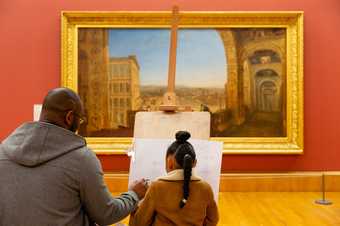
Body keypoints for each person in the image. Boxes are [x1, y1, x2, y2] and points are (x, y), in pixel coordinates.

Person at [0, 87, 148, 226]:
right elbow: (106, 214)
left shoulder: (3, 151)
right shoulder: (82, 159)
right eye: (80, 120)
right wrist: (134, 194)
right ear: (69, 117)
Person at [129, 131, 219, 226]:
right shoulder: (205, 188)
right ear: (195, 162)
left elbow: (139, 223)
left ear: (170, 162)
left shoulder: (157, 187)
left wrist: (135, 201)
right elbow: (213, 220)